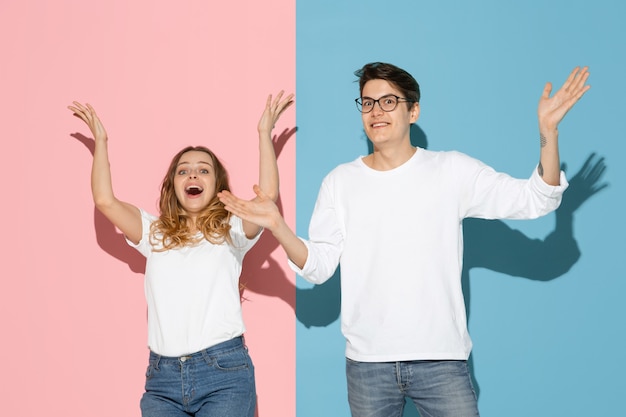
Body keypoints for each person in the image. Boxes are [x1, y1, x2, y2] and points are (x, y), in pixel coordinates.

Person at [218, 62, 590, 417]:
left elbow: (535, 199)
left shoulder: (451, 170)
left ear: (413, 112)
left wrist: (548, 132)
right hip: (367, 365)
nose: (376, 111)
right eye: (367, 102)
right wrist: (278, 226)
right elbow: (318, 267)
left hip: (441, 359)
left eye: (388, 101)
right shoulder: (340, 182)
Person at [68, 91, 293, 417]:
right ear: (172, 184)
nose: (193, 175)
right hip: (163, 380)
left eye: (204, 170)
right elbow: (105, 201)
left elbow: (267, 196)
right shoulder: (153, 232)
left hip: (224, 374)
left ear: (217, 185)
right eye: (183, 170)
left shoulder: (231, 231)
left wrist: (264, 134)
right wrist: (100, 142)